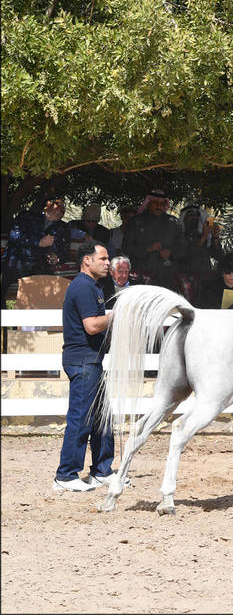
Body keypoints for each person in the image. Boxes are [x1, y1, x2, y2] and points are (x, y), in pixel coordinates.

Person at [53, 241, 116, 492]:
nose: (107, 262)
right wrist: (115, 315)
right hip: (83, 360)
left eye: (107, 258)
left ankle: (102, 470)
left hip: (90, 359)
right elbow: (91, 326)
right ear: (86, 260)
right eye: (103, 258)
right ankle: (66, 475)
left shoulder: (93, 286)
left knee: (102, 418)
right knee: (81, 419)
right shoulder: (82, 287)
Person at [2, 197, 72, 298]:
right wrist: (37, 242)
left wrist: (57, 258)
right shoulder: (27, 217)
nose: (61, 209)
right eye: (58, 204)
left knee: (55, 291)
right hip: (17, 261)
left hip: (40, 266)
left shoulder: (63, 227)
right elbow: (14, 237)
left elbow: (64, 251)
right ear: (47, 205)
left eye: (63, 208)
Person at [123, 190, 184, 290]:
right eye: (155, 203)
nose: (159, 206)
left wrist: (171, 252)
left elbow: (183, 246)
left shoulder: (174, 223)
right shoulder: (136, 222)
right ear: (148, 203)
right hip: (142, 276)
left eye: (162, 203)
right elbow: (126, 247)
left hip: (167, 277)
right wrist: (148, 249)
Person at [177, 205, 224, 277]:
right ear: (184, 217)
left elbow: (218, 256)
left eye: (197, 214)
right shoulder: (178, 235)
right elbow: (185, 255)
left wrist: (215, 237)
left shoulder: (204, 236)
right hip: (186, 279)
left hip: (205, 279)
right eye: (190, 214)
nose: (195, 217)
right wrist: (203, 237)